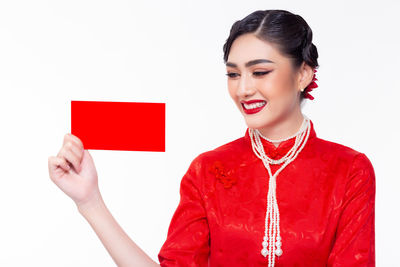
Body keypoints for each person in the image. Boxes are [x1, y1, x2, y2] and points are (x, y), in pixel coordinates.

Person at [48, 9, 375, 267]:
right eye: (233, 74)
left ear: (303, 73)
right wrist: (90, 202)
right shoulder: (208, 170)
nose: (243, 88)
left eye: (259, 72)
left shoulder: (349, 171)